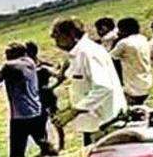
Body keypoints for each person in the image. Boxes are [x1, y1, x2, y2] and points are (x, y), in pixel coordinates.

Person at [50, 17, 127, 145]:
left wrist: (74, 112)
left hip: (107, 125)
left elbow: (104, 87)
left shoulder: (89, 53)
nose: (55, 42)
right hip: (94, 124)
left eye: (57, 36)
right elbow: (84, 87)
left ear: (71, 34)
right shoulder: (78, 54)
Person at [0, 42, 57, 157]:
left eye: (8, 53)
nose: (6, 55)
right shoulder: (29, 62)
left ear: (16, 53)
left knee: (16, 154)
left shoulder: (9, 66)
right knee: (43, 142)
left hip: (21, 117)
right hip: (36, 111)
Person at [108, 17, 153, 106]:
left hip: (133, 86)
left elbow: (109, 57)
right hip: (146, 81)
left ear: (124, 30)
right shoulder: (142, 38)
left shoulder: (124, 43)